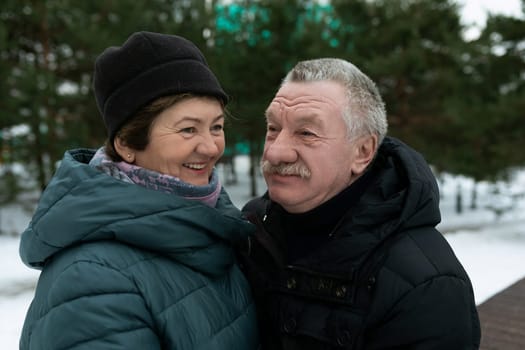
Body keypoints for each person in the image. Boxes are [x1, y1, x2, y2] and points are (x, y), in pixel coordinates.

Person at [19, 31, 259, 349]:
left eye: (216, 126)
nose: (211, 146)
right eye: (188, 129)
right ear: (128, 144)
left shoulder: (219, 228)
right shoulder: (92, 280)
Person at [238, 58, 480, 349]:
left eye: (306, 133)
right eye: (273, 128)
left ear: (362, 152)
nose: (276, 152)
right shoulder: (251, 230)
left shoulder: (426, 286)